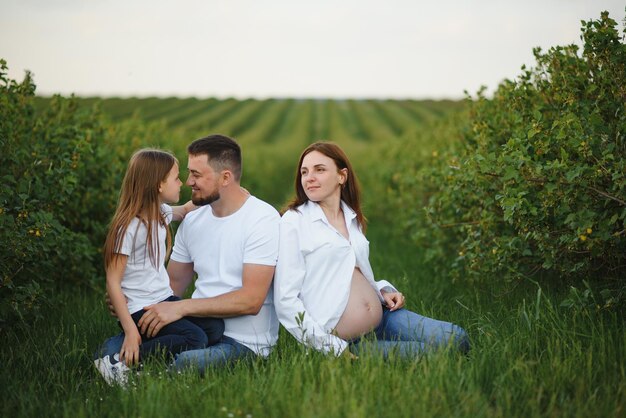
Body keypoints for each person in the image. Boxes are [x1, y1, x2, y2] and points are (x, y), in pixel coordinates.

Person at [94, 135, 280, 383]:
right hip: (195, 324)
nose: (188, 181)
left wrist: (179, 307)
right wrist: (129, 301)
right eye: (185, 174)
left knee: (186, 363)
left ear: (226, 177)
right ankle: (125, 367)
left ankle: (133, 372)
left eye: (196, 174)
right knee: (108, 350)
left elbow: (251, 301)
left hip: (243, 341)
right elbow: (171, 286)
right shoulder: (192, 220)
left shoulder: (262, 219)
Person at [274, 141, 469, 358]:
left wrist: (384, 290)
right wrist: (332, 348)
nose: (309, 177)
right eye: (304, 172)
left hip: (383, 316)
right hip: (345, 340)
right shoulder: (294, 222)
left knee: (457, 338)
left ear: (342, 176)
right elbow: (285, 301)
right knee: (433, 354)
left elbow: (351, 274)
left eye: (319, 170)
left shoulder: (351, 218)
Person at [94, 148, 224, 385]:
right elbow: (112, 281)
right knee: (195, 339)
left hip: (162, 300)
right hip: (139, 310)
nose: (182, 183)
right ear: (158, 185)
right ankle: (118, 362)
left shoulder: (160, 213)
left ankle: (149, 354)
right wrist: (131, 330)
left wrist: (226, 192)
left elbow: (185, 210)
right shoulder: (129, 228)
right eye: (175, 178)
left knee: (214, 328)